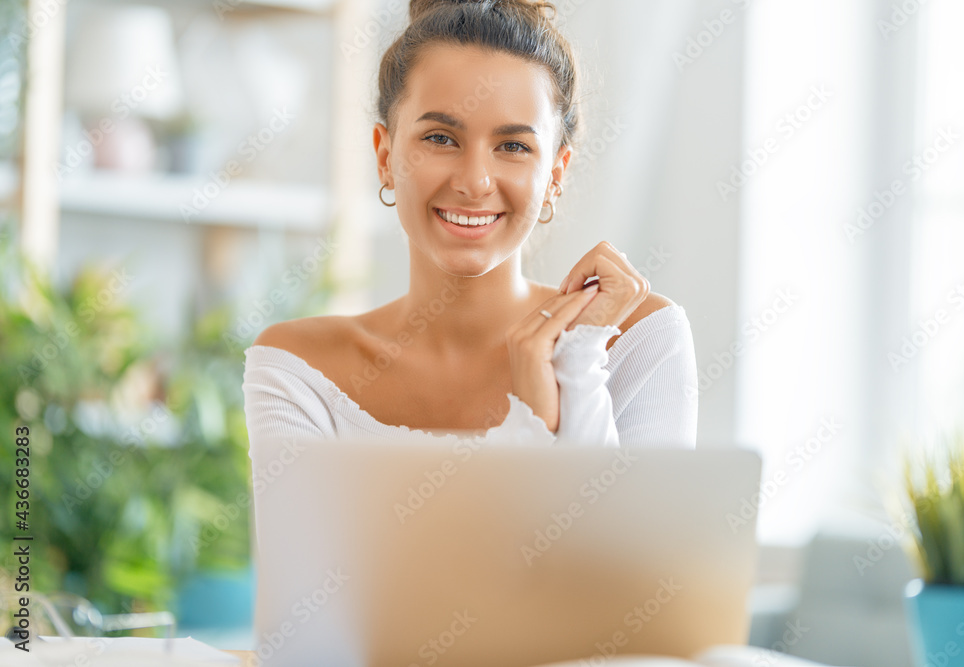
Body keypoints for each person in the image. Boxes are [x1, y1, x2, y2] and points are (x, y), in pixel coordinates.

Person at [242, 0, 697, 452]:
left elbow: (622, 528)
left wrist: (576, 369)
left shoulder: (634, 339)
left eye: (513, 146)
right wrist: (534, 424)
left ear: (555, 175)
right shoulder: (300, 370)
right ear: (385, 157)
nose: (474, 182)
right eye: (441, 138)